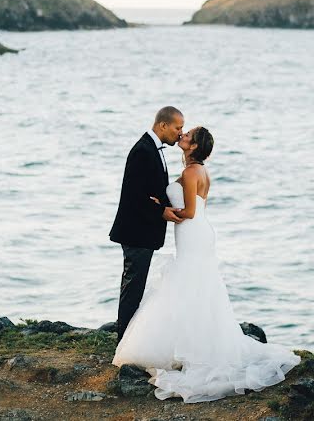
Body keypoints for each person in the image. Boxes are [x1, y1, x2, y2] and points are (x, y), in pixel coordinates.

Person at [112, 126, 300, 403]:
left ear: (194, 146)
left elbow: (188, 212)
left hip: (193, 233)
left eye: (187, 135)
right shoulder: (198, 171)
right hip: (198, 233)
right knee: (197, 286)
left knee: (189, 282)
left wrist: (161, 211)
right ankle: (193, 344)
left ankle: (192, 349)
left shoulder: (191, 172)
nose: (183, 135)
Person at [109, 106, 186, 341]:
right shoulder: (143, 150)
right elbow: (134, 195)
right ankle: (124, 342)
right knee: (133, 288)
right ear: (163, 125)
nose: (180, 133)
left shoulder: (152, 148)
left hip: (142, 230)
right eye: (177, 127)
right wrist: (160, 210)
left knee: (134, 286)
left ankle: (128, 339)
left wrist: (159, 202)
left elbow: (150, 191)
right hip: (136, 231)